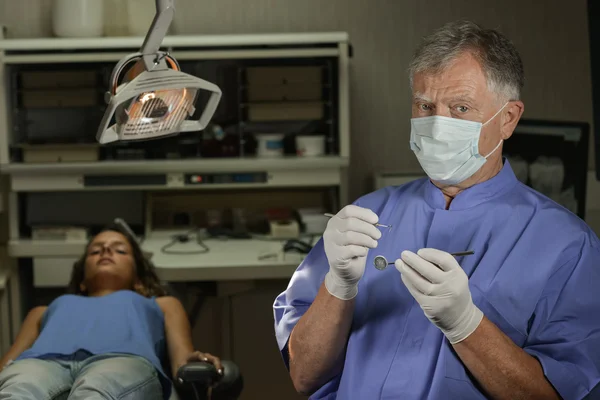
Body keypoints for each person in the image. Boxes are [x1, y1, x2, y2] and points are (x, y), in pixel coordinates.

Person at [273, 20, 600, 400]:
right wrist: (337, 286)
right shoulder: (365, 215)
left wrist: (466, 325)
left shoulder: (567, 246)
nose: (437, 124)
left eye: (460, 108)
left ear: (508, 119)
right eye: (425, 106)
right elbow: (304, 375)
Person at [0, 222, 222, 400]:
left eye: (120, 250)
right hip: (41, 364)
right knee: (18, 386)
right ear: (82, 283)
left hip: (121, 361)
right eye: (95, 251)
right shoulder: (42, 311)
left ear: (138, 282)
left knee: (99, 389)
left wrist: (195, 360)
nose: (105, 250)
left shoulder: (163, 303)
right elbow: (5, 366)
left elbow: (181, 362)